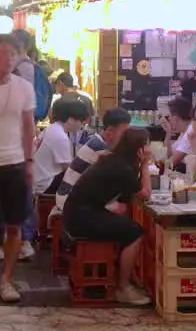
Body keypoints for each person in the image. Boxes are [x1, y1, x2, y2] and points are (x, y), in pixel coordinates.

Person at [62, 127, 153, 306]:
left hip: (77, 212)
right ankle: (123, 288)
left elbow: (125, 203)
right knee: (135, 232)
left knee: (126, 226)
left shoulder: (115, 161)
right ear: (140, 149)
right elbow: (146, 194)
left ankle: (122, 276)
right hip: (81, 218)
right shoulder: (123, 168)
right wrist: (145, 164)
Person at [0, 34, 37, 302]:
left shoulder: (25, 87)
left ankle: (6, 281)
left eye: (13, 54)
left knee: (15, 225)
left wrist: (29, 161)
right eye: (4, 53)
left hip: (14, 163)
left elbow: (28, 127)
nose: (9, 58)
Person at [56, 108, 132, 209]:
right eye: (124, 133)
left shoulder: (97, 141)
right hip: (69, 200)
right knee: (122, 208)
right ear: (110, 132)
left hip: (68, 197)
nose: (127, 138)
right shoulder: (101, 150)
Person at [34, 99, 87, 196]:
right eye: (81, 122)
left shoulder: (51, 128)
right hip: (45, 183)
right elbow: (68, 167)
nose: (82, 126)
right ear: (71, 119)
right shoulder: (60, 136)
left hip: (38, 179)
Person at [163, 97, 196, 170]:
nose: (168, 120)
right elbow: (168, 156)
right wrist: (168, 133)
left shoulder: (191, 131)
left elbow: (171, 162)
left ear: (175, 118)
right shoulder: (184, 132)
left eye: (169, 117)